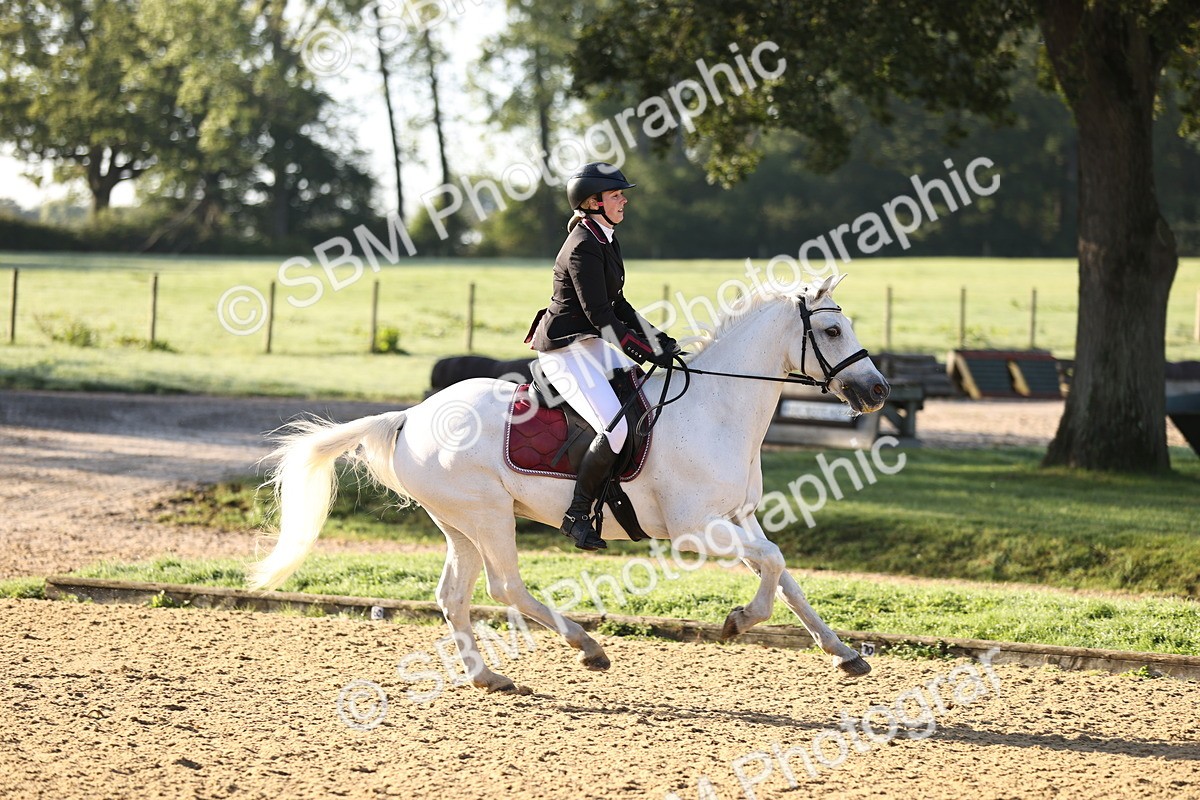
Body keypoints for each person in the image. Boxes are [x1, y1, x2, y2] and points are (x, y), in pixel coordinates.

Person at [524, 162, 679, 551]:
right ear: (594, 202)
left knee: (644, 393)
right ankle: (577, 514)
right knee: (616, 429)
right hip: (565, 351)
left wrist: (659, 341)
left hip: (589, 345)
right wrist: (645, 351)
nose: (624, 200)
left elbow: (619, 304)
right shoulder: (582, 246)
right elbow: (601, 316)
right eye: (616, 195)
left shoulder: (605, 237)